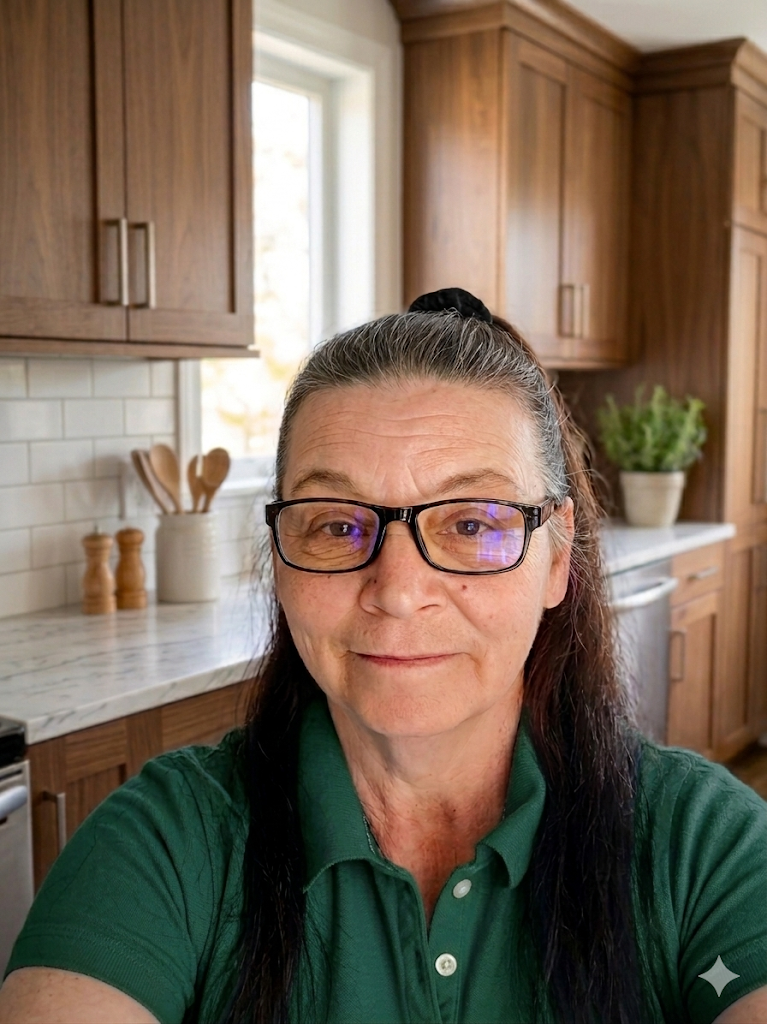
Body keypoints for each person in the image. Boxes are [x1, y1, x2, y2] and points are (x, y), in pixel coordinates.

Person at [1, 288, 766, 1024]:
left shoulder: (699, 846)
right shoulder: (164, 845)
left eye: (471, 524)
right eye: (336, 526)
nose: (398, 591)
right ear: (279, 551)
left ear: (557, 556)